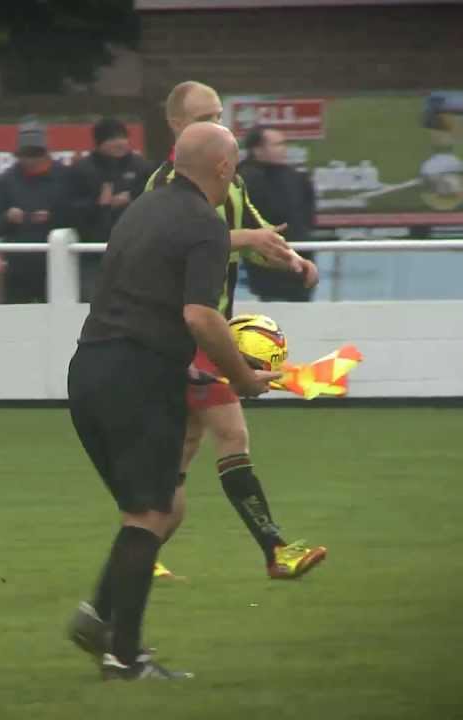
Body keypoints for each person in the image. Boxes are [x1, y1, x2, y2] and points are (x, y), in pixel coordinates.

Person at [65, 122, 277, 680]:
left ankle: (100, 622)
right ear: (224, 168)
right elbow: (201, 317)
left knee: (154, 511)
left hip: (89, 372)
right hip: (136, 381)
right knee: (150, 515)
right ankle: (124, 656)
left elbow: (140, 303)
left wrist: (188, 367)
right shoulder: (206, 224)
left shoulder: (141, 209)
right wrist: (243, 378)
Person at [142, 81, 326, 582]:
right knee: (232, 433)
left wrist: (291, 257)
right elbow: (176, 242)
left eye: (220, 115)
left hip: (203, 331)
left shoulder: (230, 179)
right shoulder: (164, 185)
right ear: (177, 126)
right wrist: (249, 238)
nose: (218, 125)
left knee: (182, 452)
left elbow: (255, 232)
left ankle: (137, 555)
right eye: (206, 117)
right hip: (179, 331)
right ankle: (276, 551)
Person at [0, 116, 76, 303]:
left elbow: (79, 217)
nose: (31, 161)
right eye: (25, 155)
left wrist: (53, 218)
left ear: (46, 153)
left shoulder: (66, 177)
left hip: (57, 264)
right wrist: (8, 218)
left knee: (57, 313)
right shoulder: (6, 180)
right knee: (16, 317)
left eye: (36, 155)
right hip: (18, 266)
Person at [70, 117, 154, 300]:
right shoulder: (82, 169)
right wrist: (99, 204)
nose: (119, 143)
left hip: (134, 250)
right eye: (112, 138)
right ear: (99, 143)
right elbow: (70, 209)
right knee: (93, 302)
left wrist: (131, 200)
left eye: (122, 137)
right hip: (94, 251)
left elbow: (154, 200)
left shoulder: (141, 167)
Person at [238, 125, 319, 302]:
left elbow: (307, 216)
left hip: (300, 261)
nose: (283, 149)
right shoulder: (242, 180)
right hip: (265, 266)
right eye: (277, 145)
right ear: (257, 150)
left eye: (284, 144)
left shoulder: (298, 178)